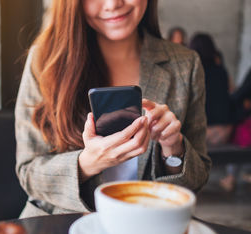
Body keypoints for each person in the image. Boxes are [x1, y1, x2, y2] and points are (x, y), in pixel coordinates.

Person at [15, 0, 211, 217]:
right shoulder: (45, 60)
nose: (112, 4)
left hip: (148, 223)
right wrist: (87, 164)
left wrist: (174, 149)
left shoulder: (185, 64)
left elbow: (196, 179)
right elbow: (28, 173)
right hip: (60, 221)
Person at [189, 34, 235, 191]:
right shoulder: (221, 71)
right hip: (223, 132)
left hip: (204, 133)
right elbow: (231, 94)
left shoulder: (192, 73)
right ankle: (230, 177)